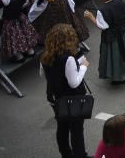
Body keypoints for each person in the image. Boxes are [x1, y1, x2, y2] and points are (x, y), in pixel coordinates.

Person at [42, 24, 90, 158]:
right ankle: (80, 155)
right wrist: (83, 67)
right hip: (73, 99)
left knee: (62, 127)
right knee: (76, 129)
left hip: (56, 98)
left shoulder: (46, 56)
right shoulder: (68, 58)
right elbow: (74, 83)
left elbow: (43, 74)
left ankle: (66, 153)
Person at [81, 0, 125, 85]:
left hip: (112, 37)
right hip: (122, 32)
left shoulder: (102, 10)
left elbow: (103, 26)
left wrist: (91, 17)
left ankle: (118, 77)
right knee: (123, 52)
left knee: (114, 56)